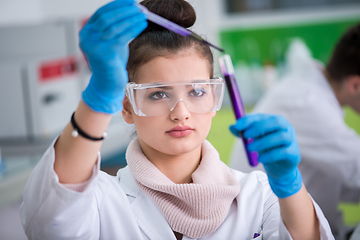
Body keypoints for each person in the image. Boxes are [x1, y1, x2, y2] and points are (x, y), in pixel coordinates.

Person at [20, 0, 333, 239]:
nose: (181, 112)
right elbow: (49, 222)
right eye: (158, 94)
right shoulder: (102, 200)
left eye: (197, 91)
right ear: (127, 106)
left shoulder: (260, 193)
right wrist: (98, 96)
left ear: (215, 98)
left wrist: (291, 187)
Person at [230, 24, 360, 240]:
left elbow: (343, 179)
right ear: (355, 85)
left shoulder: (314, 87)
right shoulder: (309, 103)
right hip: (269, 227)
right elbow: (356, 168)